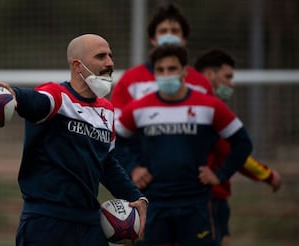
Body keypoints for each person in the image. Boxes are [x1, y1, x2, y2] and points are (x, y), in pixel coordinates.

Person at [0, 34, 148, 246]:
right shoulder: (58, 97)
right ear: (78, 66)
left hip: (89, 223)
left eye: (110, 56)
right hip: (46, 222)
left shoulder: (107, 110)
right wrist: (14, 94)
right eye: (101, 56)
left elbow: (106, 163)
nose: (110, 63)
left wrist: (136, 196)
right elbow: (38, 102)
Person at [115, 43, 253, 246]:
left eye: (172, 69)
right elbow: (115, 142)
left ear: (184, 72)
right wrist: (133, 168)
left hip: (195, 204)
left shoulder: (209, 106)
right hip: (154, 203)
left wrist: (220, 175)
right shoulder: (138, 108)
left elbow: (242, 143)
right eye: (160, 70)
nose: (166, 74)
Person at [111, 2, 213, 191]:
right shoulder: (130, 80)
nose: (169, 35)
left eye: (175, 31)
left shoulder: (200, 83)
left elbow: (215, 134)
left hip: (192, 185)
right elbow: (114, 132)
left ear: (184, 39)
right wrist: (132, 167)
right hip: (145, 182)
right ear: (152, 39)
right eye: (164, 30)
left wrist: (215, 171)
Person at [194, 48, 282, 246]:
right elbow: (233, 151)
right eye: (228, 77)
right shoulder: (208, 110)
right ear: (209, 74)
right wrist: (267, 175)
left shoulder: (198, 106)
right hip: (209, 197)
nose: (231, 84)